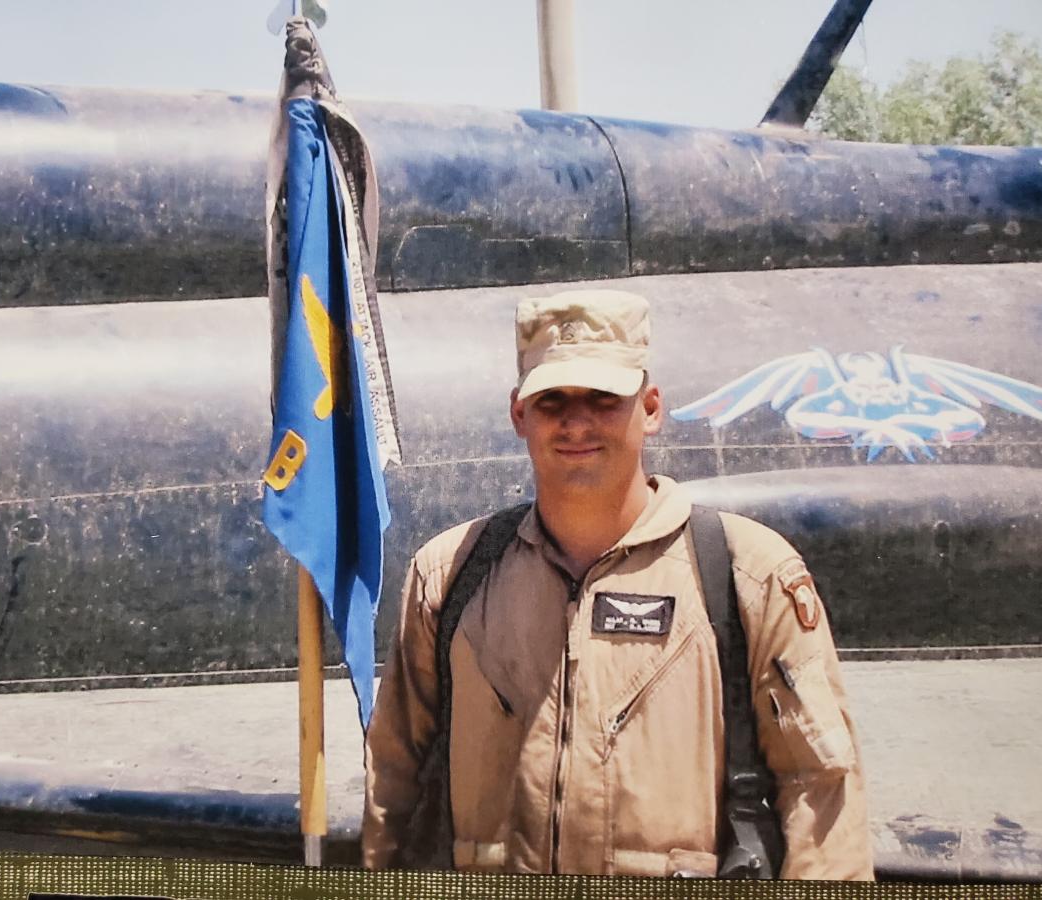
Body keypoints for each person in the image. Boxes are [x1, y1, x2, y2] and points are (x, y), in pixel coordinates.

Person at [362, 289, 874, 879]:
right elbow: (393, 781)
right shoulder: (450, 575)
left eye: (605, 398)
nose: (577, 422)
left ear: (651, 408)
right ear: (519, 414)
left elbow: (820, 793)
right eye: (552, 399)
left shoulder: (746, 575)